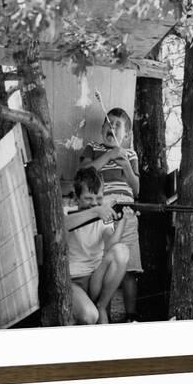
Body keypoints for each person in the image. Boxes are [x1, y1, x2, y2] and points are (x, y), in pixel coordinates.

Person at [79, 107, 142, 323]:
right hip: (101, 212)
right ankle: (94, 307)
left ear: (126, 136)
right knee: (101, 258)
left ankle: (131, 316)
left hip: (126, 214)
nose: (112, 126)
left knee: (130, 267)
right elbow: (85, 174)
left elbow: (136, 189)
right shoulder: (93, 148)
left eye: (117, 125)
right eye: (108, 123)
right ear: (101, 129)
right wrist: (108, 155)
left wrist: (127, 168)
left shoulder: (130, 154)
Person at [64, 167, 131, 325]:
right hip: (72, 281)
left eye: (99, 198)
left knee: (122, 251)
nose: (94, 203)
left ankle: (102, 305)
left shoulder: (102, 217)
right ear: (77, 198)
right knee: (89, 316)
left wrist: (122, 222)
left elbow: (111, 246)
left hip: (95, 279)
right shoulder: (66, 212)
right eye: (88, 198)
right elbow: (63, 225)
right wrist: (96, 211)